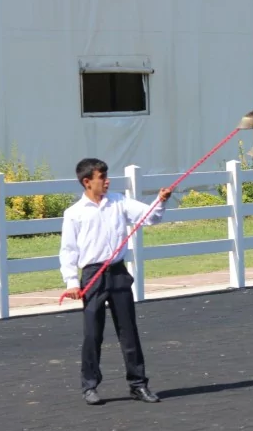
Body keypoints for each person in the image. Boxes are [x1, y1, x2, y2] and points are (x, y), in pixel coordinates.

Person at [59, 158, 171, 406]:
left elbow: (149, 217)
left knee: (128, 331)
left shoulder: (119, 202)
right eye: (102, 177)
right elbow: (68, 251)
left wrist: (160, 201)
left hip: (118, 272)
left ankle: (138, 385)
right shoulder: (74, 214)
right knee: (92, 335)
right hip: (92, 276)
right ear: (87, 182)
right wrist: (71, 282)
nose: (107, 181)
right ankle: (89, 386)